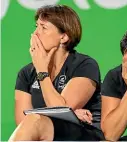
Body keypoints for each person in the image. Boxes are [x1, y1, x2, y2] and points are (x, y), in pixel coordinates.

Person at [9, 5, 104, 141]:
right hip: (47, 132)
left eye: (43, 28)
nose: (35, 33)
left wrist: (42, 71)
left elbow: (60, 111)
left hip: (83, 133)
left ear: (64, 37)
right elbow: (22, 122)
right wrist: (72, 113)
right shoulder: (26, 73)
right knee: (33, 121)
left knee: (36, 120)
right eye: (36, 26)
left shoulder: (85, 65)